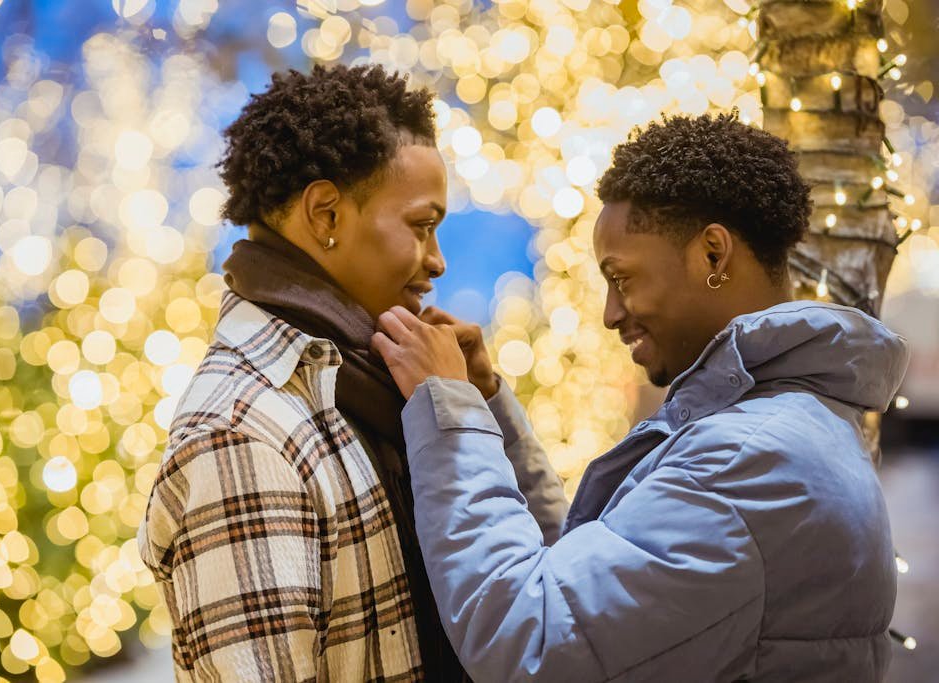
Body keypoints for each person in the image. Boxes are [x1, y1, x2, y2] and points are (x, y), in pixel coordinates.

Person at [371, 111, 909, 682]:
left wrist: (449, 409)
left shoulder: (750, 461)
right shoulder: (779, 427)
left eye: (622, 278)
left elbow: (531, 637)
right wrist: (488, 407)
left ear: (713, 255)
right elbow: (589, 587)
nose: (610, 314)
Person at [136, 63, 564, 681]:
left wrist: (480, 403)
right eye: (422, 226)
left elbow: (537, 587)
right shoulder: (243, 434)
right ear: (326, 215)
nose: (438, 261)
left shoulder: (369, 382)